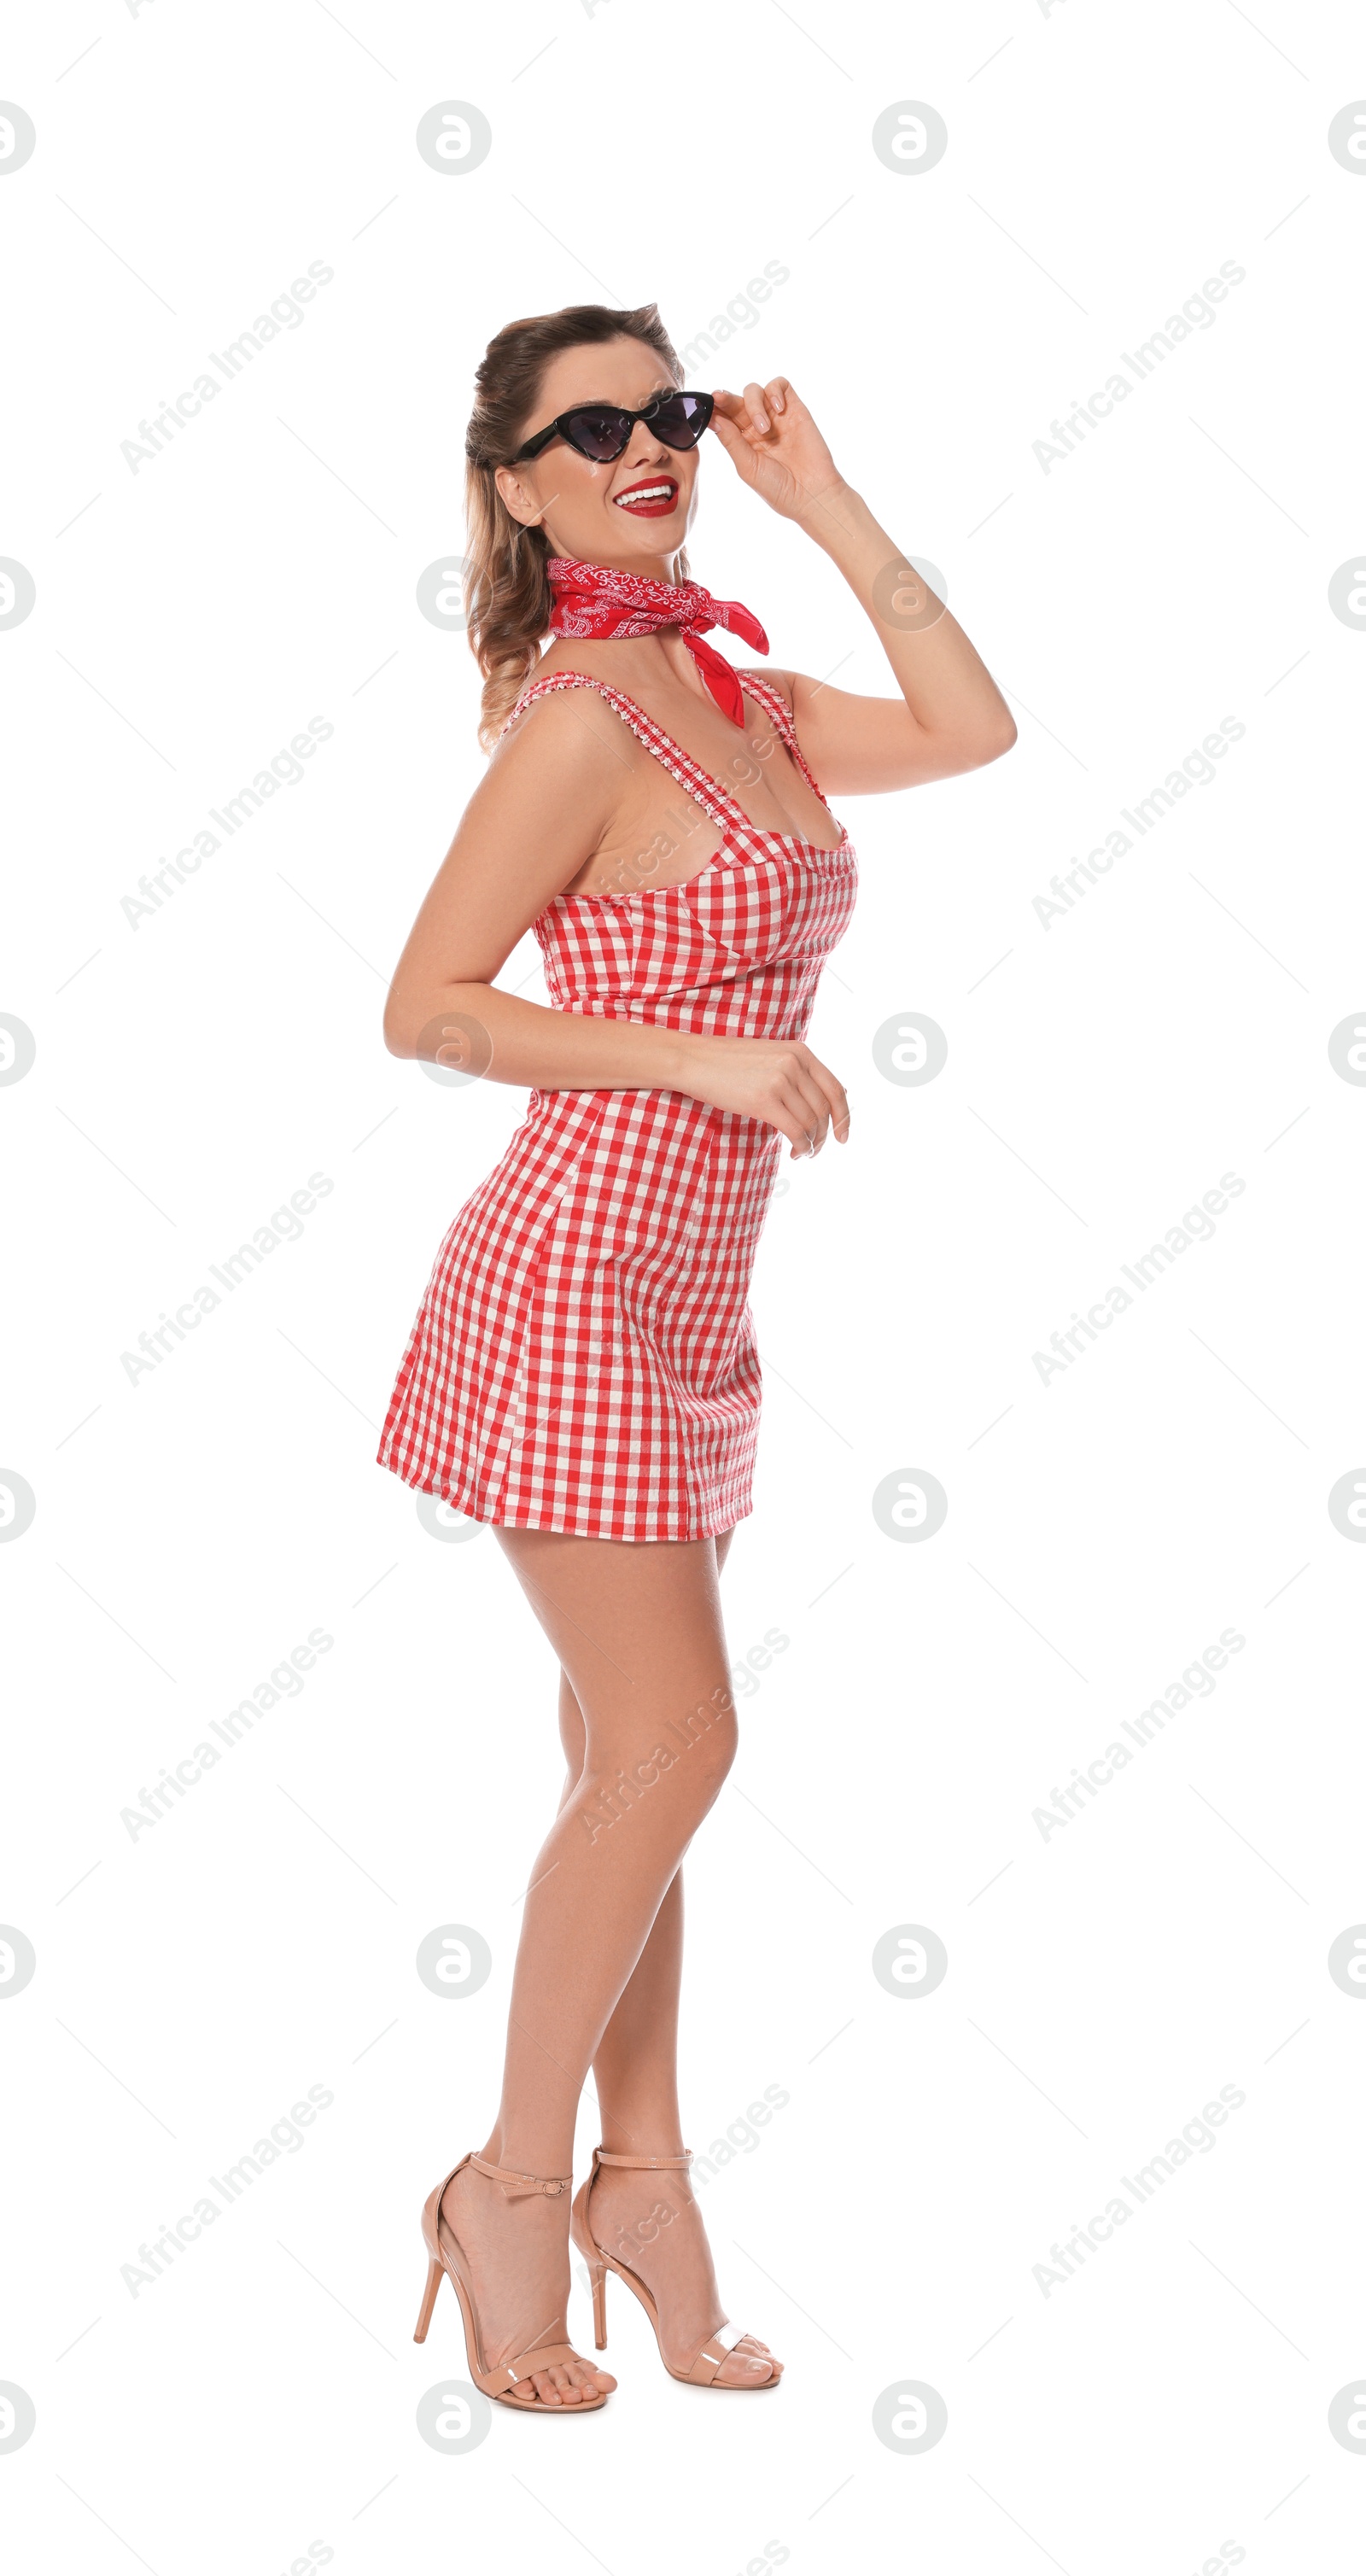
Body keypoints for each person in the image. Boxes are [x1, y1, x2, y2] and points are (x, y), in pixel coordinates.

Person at [381, 301, 1015, 2412]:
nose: (645, 445)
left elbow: (969, 724)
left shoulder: (723, 687)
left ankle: (641, 2179)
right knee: (673, 1745)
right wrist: (702, 1054)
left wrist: (818, 496)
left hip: (689, 1300)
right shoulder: (577, 718)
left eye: (664, 410)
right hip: (566, 1282)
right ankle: (508, 2185)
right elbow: (431, 1006)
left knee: (623, 1771)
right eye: (592, 429)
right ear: (516, 481)